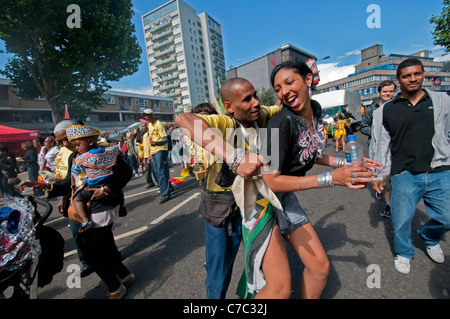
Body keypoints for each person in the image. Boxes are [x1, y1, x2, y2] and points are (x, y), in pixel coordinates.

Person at [262, 60, 378, 298]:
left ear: (307, 80)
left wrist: (347, 164)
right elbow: (270, 181)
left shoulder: (314, 111)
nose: (284, 92)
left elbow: (312, 154)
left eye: (289, 82)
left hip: (283, 198)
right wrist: (330, 179)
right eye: (278, 89)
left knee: (319, 268)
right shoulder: (276, 126)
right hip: (261, 205)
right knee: (279, 290)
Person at [175, 78, 282, 299]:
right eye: (247, 99)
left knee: (260, 261)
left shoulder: (260, 114)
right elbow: (185, 119)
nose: (256, 103)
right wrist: (235, 157)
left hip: (254, 204)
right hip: (222, 209)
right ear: (229, 107)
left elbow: (280, 105)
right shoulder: (225, 122)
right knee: (219, 272)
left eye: (255, 95)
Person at [19, 122, 134, 298]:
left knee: (91, 252)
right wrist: (43, 185)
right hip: (85, 207)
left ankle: (115, 287)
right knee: (105, 244)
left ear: (85, 138)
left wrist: (106, 190)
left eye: (69, 140)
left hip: (101, 205)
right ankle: (124, 276)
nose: (66, 144)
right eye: (62, 142)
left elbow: (126, 173)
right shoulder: (74, 156)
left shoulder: (106, 151)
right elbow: (68, 185)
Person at [372, 58, 450, 275]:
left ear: (423, 74)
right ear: (399, 80)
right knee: (401, 219)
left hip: (440, 171)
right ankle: (404, 252)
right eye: (407, 76)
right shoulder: (385, 111)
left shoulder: (442, 100)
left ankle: (430, 236)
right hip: (404, 173)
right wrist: (379, 173)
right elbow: (381, 146)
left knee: (447, 217)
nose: (413, 78)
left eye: (417, 74)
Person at [65, 125, 124, 233]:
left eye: (77, 144)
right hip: (106, 186)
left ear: (90, 141)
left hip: (94, 191)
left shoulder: (83, 157)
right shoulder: (108, 150)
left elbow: (125, 173)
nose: (76, 147)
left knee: (76, 199)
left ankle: (85, 221)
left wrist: (105, 189)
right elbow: (119, 153)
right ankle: (123, 205)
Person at [142, 109, 172, 204]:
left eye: (147, 115)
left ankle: (165, 194)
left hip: (161, 149)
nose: (146, 117)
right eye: (144, 116)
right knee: (159, 171)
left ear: (152, 115)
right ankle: (169, 187)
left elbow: (165, 139)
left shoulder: (159, 124)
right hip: (154, 151)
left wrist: (157, 143)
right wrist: (150, 154)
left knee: (161, 172)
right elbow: (151, 140)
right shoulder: (149, 125)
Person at [142, 121, 156, 189]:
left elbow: (151, 145)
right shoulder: (144, 135)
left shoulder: (151, 134)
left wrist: (150, 155)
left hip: (152, 154)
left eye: (143, 126)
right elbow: (145, 146)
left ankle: (159, 182)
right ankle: (150, 183)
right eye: (142, 126)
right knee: (147, 171)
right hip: (146, 156)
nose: (142, 128)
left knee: (154, 170)